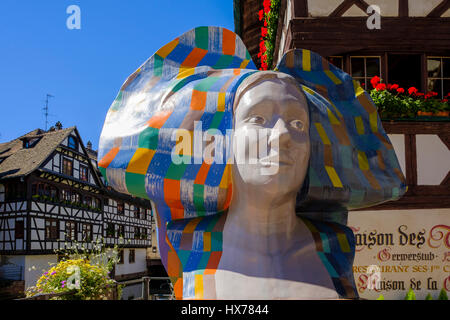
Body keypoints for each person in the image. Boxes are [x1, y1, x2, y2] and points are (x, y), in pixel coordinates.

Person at [98, 26, 406, 299]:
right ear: (225, 140)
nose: (283, 134)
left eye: (298, 124)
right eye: (258, 118)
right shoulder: (189, 243)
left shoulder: (331, 246)